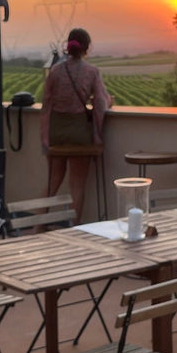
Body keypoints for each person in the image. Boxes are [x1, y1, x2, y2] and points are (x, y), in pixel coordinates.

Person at [40, 27, 111, 222]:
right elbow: (100, 104)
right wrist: (97, 136)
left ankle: (37, 227)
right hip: (79, 134)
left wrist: (45, 139)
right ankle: (74, 228)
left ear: (68, 47)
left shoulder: (54, 71)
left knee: (52, 182)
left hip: (56, 134)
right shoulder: (92, 72)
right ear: (86, 48)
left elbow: (46, 105)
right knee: (77, 185)